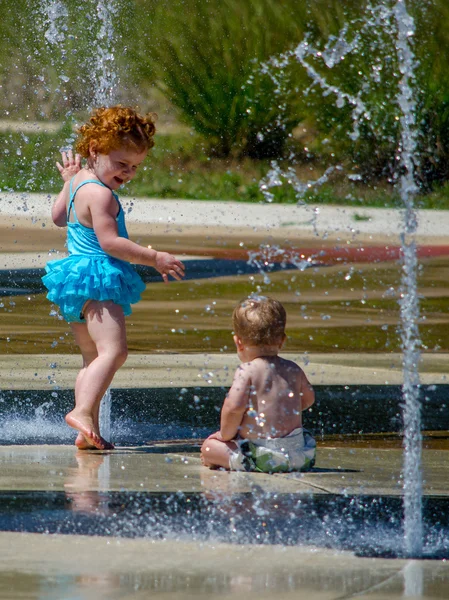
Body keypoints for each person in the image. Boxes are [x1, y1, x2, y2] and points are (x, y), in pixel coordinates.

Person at [42, 106, 185, 451]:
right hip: (98, 278)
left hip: (74, 282)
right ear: (94, 149)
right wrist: (154, 258)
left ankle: (84, 429)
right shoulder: (102, 194)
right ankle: (82, 411)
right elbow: (110, 243)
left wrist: (66, 183)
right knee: (114, 352)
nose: (129, 173)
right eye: (122, 164)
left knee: (93, 358)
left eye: (135, 166)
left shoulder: (79, 182)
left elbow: (59, 218)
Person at [201, 296, 316, 473]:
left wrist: (225, 435)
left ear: (238, 342)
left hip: (264, 457)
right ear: (282, 340)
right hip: (301, 455)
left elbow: (234, 408)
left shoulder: (246, 371)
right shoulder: (293, 369)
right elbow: (309, 399)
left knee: (209, 447)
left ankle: (231, 460)